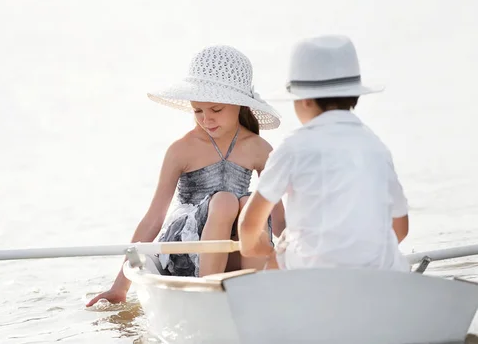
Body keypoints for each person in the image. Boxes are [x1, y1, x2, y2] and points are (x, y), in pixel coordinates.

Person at [86, 45, 284, 307]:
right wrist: (119, 287)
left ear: (239, 105)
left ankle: (258, 296)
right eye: (197, 111)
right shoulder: (182, 150)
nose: (206, 120)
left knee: (250, 205)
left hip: (235, 249)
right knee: (224, 201)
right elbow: (154, 219)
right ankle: (208, 298)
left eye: (215, 110)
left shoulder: (259, 149)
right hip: (185, 250)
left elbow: (281, 224)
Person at [238, 35, 410, 272]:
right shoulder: (377, 147)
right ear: (354, 96)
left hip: (313, 274)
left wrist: (260, 250)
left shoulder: (293, 146)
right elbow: (401, 228)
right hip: (379, 272)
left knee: (281, 252)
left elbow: (249, 227)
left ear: (305, 101)